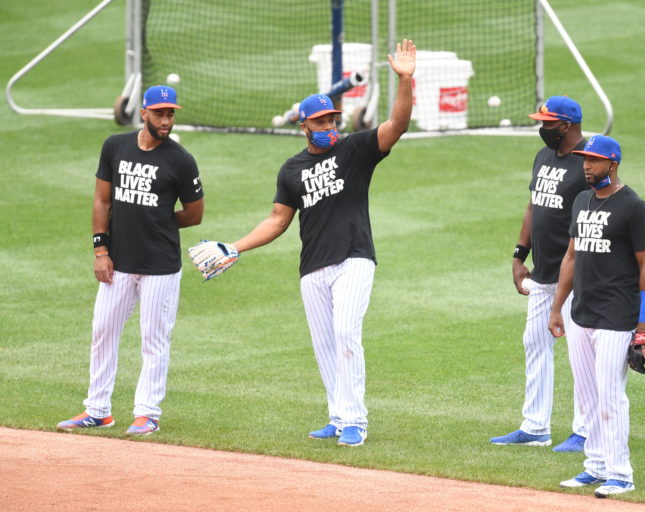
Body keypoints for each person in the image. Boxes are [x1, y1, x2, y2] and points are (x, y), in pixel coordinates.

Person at [207, 39, 416, 447]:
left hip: (355, 259)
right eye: (321, 123)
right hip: (312, 268)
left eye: (333, 121)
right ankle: (338, 416)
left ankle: (356, 420)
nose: (329, 128)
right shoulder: (291, 170)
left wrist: (405, 81)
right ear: (304, 125)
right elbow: (277, 220)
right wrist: (235, 246)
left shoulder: (355, 150)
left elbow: (398, 126)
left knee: (345, 333)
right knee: (324, 344)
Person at [57, 85, 204, 435]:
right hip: (117, 262)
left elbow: (194, 214)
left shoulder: (181, 160)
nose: (166, 121)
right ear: (145, 113)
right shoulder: (115, 147)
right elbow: (101, 201)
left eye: (170, 114)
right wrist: (100, 250)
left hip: (161, 266)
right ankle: (97, 410)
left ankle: (147, 413)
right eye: (160, 113)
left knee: (153, 339)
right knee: (103, 332)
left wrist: (160, 221)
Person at [549, 135, 645, 498]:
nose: (586, 166)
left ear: (612, 164)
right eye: (584, 160)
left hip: (617, 316)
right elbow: (571, 257)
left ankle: (620, 473)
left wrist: (644, 323)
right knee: (587, 394)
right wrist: (557, 307)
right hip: (581, 313)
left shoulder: (633, 207)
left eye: (593, 161)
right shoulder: (581, 201)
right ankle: (594, 465)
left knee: (611, 395)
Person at [490, 96, 588, 452]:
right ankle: (535, 428)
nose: (541, 128)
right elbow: (534, 205)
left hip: (579, 276)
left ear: (566, 124)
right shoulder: (544, 156)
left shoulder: (588, 163)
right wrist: (519, 255)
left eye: (547, 122)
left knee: (582, 353)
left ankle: (586, 430)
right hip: (544, 273)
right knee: (535, 343)